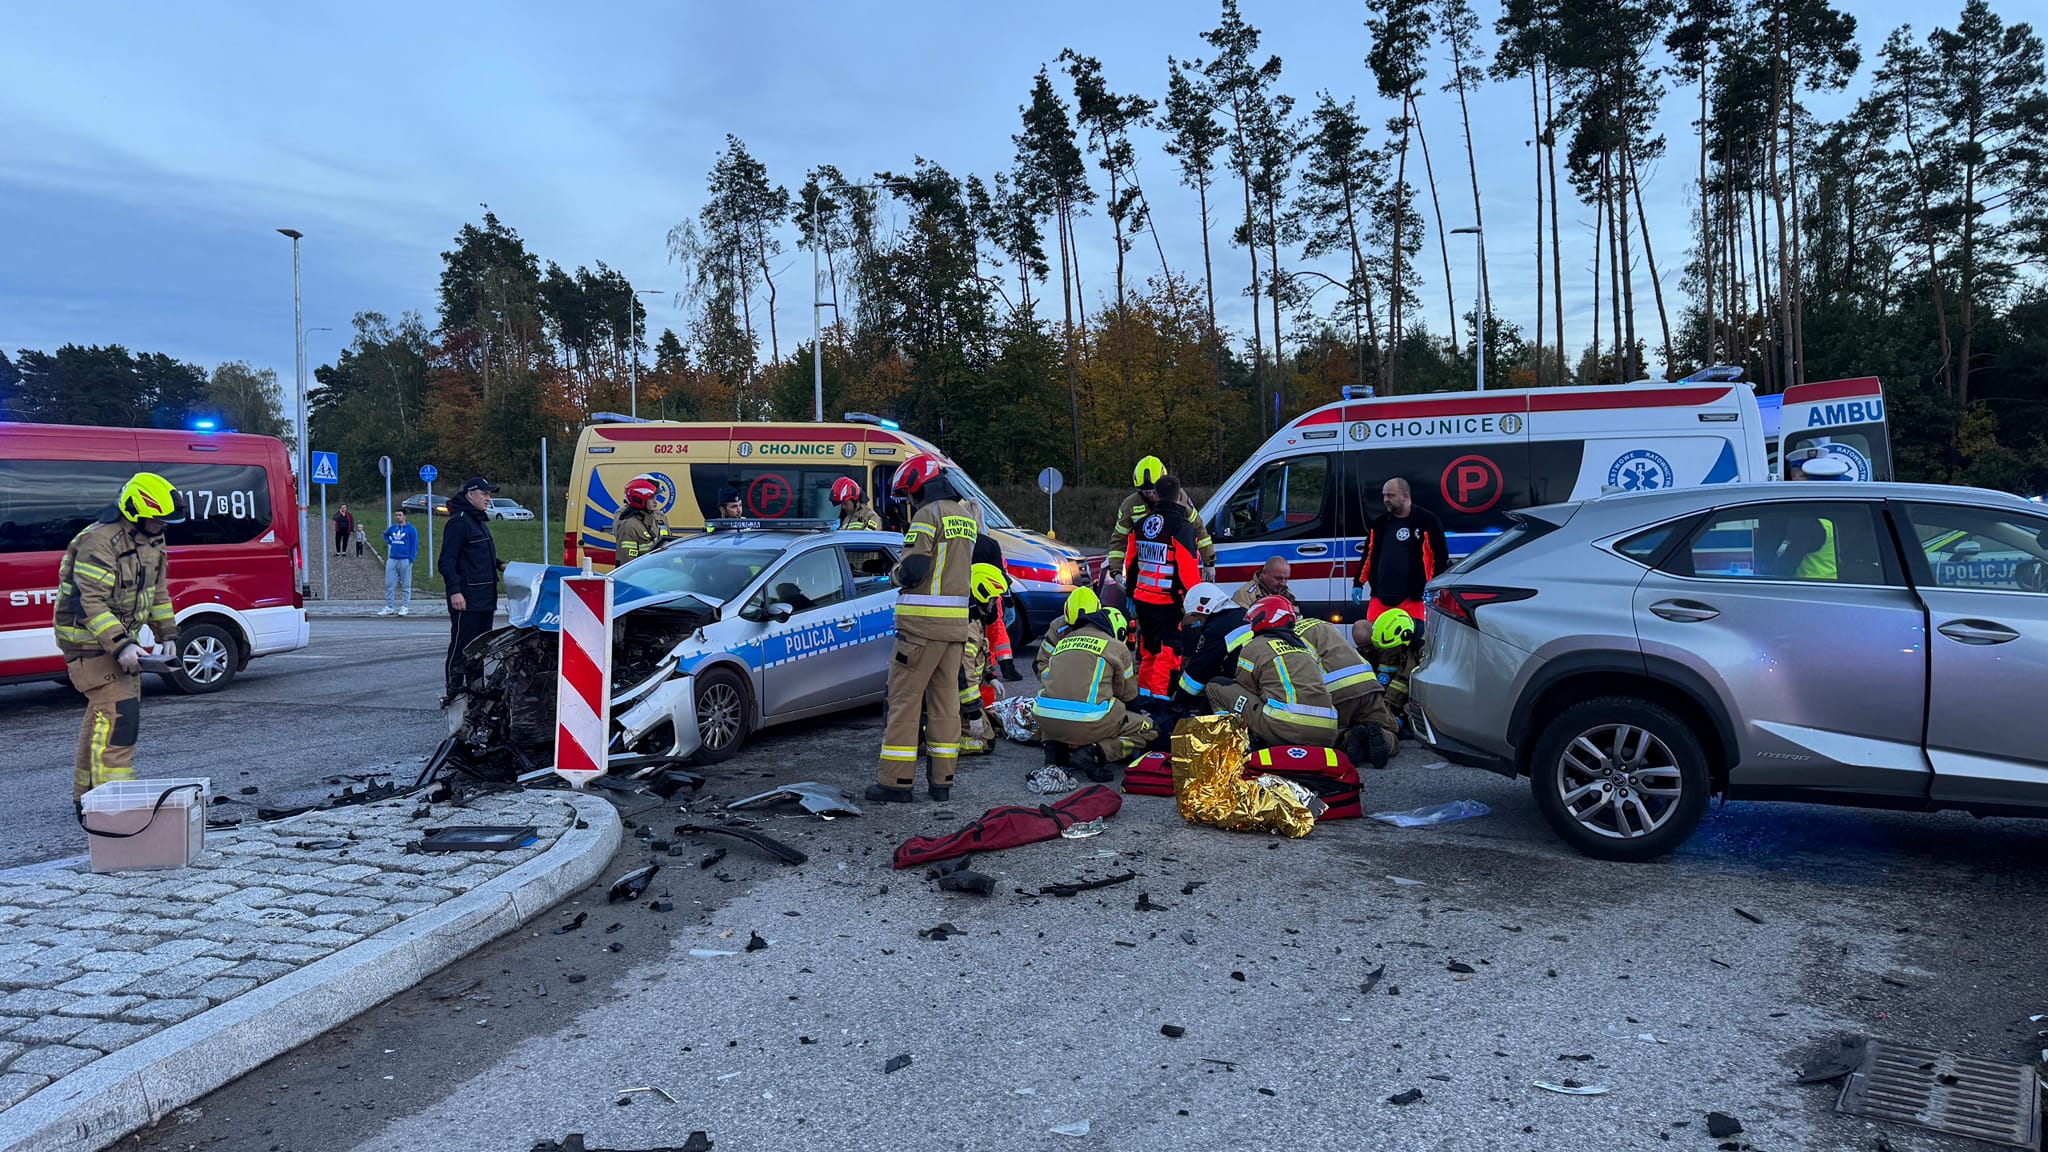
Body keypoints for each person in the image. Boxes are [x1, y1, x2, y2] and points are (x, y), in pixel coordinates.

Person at [55, 472, 180, 802]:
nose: (163, 527)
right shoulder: (99, 542)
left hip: (114, 640)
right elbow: (89, 600)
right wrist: (122, 644)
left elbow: (157, 591)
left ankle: (87, 797)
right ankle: (115, 802)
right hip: (86, 643)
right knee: (120, 717)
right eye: (157, 521)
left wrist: (167, 633)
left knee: (101, 717)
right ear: (136, 511)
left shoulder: (152, 540)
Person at [870, 454, 978, 804]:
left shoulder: (927, 515)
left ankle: (896, 782)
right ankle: (941, 782)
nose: (908, 502)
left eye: (908, 494)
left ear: (919, 487)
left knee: (904, 701)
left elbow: (915, 569)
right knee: (946, 704)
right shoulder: (966, 517)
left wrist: (894, 575)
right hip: (954, 630)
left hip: (919, 628)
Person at [1035, 595, 1154, 781]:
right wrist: (1132, 720)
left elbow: (1044, 669)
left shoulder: (1065, 639)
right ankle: (1095, 752)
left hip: (1046, 721)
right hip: (1087, 723)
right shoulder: (1116, 647)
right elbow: (1129, 696)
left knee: (1059, 697)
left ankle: (1054, 750)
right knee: (1147, 728)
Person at [1205, 595, 1341, 749]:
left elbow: (1245, 687)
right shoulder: (1304, 648)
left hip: (1286, 728)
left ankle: (1234, 744)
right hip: (1327, 731)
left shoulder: (1255, 646)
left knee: (1215, 686)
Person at [1123, 474, 1205, 699]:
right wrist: (1197, 602)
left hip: (1142, 600)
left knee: (1148, 652)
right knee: (1167, 655)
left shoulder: (1140, 525)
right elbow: (1188, 570)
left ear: (1156, 495)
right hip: (1168, 603)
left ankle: (1144, 698)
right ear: (1179, 496)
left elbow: (1131, 563)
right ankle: (1160, 705)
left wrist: (1130, 593)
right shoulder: (1181, 527)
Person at [1292, 614, 1396, 769]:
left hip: (1336, 692)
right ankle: (1382, 736)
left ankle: (1348, 738)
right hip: (1367, 683)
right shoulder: (1320, 623)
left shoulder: (1281, 639)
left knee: (1330, 733)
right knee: (1390, 729)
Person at [438, 477, 504, 701]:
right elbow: (447, 561)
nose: (488, 499)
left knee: (479, 648)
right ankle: (454, 691)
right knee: (462, 646)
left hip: (485, 597)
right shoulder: (459, 522)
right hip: (466, 598)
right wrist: (455, 591)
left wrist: (500, 564)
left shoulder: (478, 522)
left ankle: (476, 690)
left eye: (489, 494)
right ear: (471, 494)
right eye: (485, 494)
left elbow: (480, 556)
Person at [1106, 456, 1215, 585]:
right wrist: (1116, 571)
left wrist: (1209, 562)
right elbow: (1119, 539)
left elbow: (1198, 528)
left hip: (1175, 572)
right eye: (1146, 492)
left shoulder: (1179, 497)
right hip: (1143, 575)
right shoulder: (1130, 505)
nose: (1152, 496)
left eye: (1154, 491)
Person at [1353, 477, 1449, 624]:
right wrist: (1358, 583)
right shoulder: (1380, 524)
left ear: (1405, 496)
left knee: (1414, 643)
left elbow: (1440, 557)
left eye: (1390, 495)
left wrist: (1435, 588)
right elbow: (1369, 555)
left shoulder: (1427, 521)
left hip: (1413, 600)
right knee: (1373, 640)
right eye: (1384, 495)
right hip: (1380, 600)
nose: (1385, 499)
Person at [958, 561, 1009, 754]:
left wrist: (990, 676)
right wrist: (973, 713)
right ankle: (934, 738)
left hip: (962, 698)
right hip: (957, 699)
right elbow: (964, 673)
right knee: (984, 742)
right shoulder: (969, 626)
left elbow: (981, 653)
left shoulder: (977, 620)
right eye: (994, 599)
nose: (995, 605)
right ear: (982, 594)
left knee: (992, 730)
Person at [1172, 581, 1249, 709]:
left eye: (1196, 615)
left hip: (1243, 685)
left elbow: (1199, 670)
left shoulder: (1216, 628)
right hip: (1255, 681)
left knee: (1213, 689)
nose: (1197, 621)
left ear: (1206, 607)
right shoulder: (1242, 613)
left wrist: (1179, 702)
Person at [1356, 608, 1421, 729]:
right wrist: (1386, 705)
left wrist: (1402, 716)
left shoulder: (1424, 650)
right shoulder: (1409, 640)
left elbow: (1414, 686)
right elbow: (1402, 678)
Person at [614, 474, 669, 563]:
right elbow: (627, 562)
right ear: (639, 498)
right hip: (645, 574)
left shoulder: (660, 518)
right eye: (651, 498)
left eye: (656, 497)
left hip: (663, 572)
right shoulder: (629, 526)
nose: (656, 501)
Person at [379, 509, 419, 617]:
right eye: (396, 515)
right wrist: (390, 542)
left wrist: (411, 559)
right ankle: (389, 606)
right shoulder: (393, 528)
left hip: (405, 559)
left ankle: (405, 606)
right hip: (393, 558)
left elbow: (414, 545)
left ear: (404, 516)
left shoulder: (411, 530)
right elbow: (385, 534)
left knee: (406, 584)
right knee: (389, 584)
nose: (398, 517)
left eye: (400, 515)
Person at [1231, 556, 1296, 609]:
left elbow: (1297, 617)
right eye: (1278, 578)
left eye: (1286, 579)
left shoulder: (1285, 592)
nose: (1283, 583)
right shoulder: (1245, 595)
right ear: (1264, 573)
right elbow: (1241, 623)